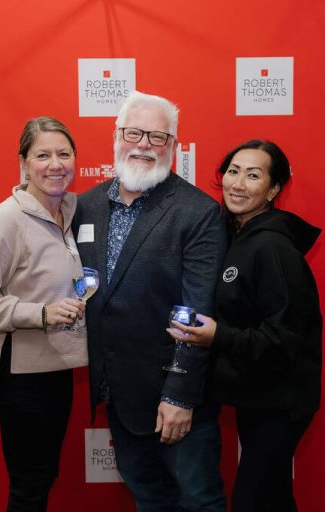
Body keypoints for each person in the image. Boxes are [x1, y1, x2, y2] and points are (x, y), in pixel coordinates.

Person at [72, 91, 227, 512]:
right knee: (148, 497)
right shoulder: (84, 206)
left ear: (173, 146)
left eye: (157, 137)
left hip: (172, 395)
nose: (143, 145)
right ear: (116, 137)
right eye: (133, 133)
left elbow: (197, 312)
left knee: (199, 500)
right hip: (118, 392)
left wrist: (179, 396)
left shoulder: (197, 212)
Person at [167, 139, 322, 512]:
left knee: (253, 501)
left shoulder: (273, 248)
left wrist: (217, 336)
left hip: (281, 402)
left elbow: (284, 339)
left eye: (253, 176)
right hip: (259, 395)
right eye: (233, 172)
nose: (238, 184)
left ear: (273, 189)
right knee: (273, 498)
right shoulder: (236, 235)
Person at [0, 116, 88, 512]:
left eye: (64, 154)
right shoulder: (6, 220)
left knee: (43, 478)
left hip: (60, 366)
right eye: (42, 155)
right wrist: (40, 314)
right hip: (21, 374)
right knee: (30, 487)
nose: (55, 164)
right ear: (23, 163)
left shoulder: (72, 211)